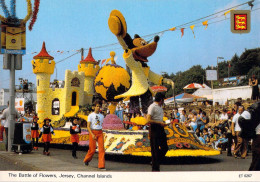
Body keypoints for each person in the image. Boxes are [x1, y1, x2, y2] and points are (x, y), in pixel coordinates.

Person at [147, 92, 168, 171]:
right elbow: (148, 119)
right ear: (161, 100)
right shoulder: (152, 107)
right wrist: (159, 123)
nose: (163, 101)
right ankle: (155, 167)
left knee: (165, 147)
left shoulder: (160, 107)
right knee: (155, 149)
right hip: (154, 128)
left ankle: (154, 161)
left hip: (160, 128)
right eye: (163, 100)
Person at [83, 100, 106, 170]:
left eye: (99, 106)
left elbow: (101, 125)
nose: (98, 107)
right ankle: (86, 160)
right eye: (97, 106)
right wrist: (92, 134)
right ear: (94, 107)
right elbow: (88, 126)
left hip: (100, 133)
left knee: (101, 149)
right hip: (92, 132)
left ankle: (101, 165)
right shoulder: (90, 115)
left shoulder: (102, 116)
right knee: (92, 150)